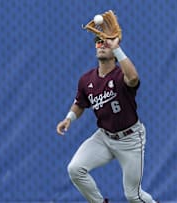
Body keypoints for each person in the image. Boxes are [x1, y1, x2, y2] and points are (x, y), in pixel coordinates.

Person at [56, 36, 157, 203]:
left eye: (107, 43)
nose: (102, 46)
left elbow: (132, 79)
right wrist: (69, 119)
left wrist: (117, 48)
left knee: (133, 195)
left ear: (115, 51)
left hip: (130, 140)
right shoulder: (86, 80)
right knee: (75, 169)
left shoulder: (120, 75)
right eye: (98, 42)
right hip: (104, 137)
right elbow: (80, 104)